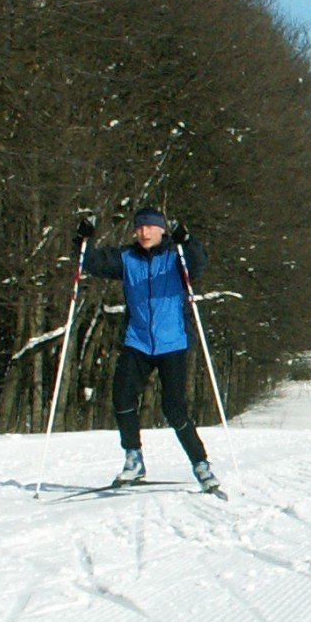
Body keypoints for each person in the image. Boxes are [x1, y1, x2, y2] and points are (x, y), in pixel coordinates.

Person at [74, 207, 218, 490]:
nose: (144, 232)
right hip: (138, 340)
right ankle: (133, 458)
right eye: (140, 227)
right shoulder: (127, 258)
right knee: (123, 397)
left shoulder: (174, 256)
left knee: (174, 407)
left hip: (172, 342)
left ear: (162, 229)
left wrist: (186, 239)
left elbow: (198, 263)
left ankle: (200, 464)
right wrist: (82, 239)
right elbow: (90, 262)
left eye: (151, 227)